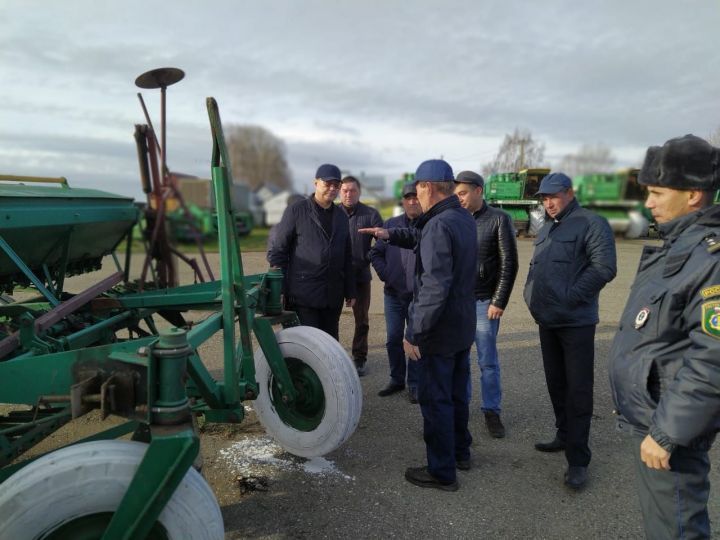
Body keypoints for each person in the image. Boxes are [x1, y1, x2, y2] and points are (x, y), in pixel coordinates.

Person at [608, 134, 720, 538]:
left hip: (669, 428)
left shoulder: (709, 258)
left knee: (675, 528)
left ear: (693, 194)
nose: (649, 202)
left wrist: (667, 432)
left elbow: (713, 359)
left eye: (657, 192)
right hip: (654, 417)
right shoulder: (679, 246)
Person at [360, 159, 477, 492]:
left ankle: (442, 471)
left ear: (427, 187)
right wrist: (389, 234)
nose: (416, 196)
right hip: (460, 326)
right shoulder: (460, 218)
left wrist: (415, 333)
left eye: (418, 189)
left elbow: (435, 285)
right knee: (455, 394)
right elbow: (422, 238)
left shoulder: (440, 224)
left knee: (435, 399)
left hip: (437, 332)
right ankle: (460, 452)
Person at [523, 172, 616, 490]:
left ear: (570, 193)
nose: (548, 202)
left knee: (578, 392)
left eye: (554, 196)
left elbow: (604, 267)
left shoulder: (592, 222)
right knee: (556, 384)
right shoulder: (548, 225)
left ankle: (578, 460)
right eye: (544, 198)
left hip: (576, 323)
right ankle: (563, 436)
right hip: (548, 320)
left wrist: (570, 298)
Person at [454, 170, 518, 438]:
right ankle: (461, 410)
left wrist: (498, 301)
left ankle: (491, 410)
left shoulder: (498, 219)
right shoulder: (456, 220)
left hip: (483, 303)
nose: (459, 199)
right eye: (456, 194)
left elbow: (509, 264)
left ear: (479, 190)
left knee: (487, 361)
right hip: (458, 303)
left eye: (464, 193)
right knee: (459, 361)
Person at [267, 163, 355, 339]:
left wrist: (350, 290)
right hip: (303, 294)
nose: (332, 188)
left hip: (332, 296)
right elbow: (279, 250)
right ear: (316, 183)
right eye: (327, 183)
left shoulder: (341, 217)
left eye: (336, 185)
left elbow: (346, 255)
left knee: (330, 343)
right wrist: (279, 289)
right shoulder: (297, 211)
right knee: (307, 344)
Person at [370, 181, 423, 402]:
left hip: (418, 297)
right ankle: (396, 379)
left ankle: (415, 383)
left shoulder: (429, 225)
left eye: (416, 197)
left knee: (414, 340)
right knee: (393, 339)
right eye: (408, 198)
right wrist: (387, 275)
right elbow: (375, 254)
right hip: (392, 294)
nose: (412, 201)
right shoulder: (390, 224)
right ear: (402, 201)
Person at [340, 176, 383, 376]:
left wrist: (369, 256)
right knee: (329, 318)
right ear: (340, 192)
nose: (349, 194)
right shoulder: (332, 213)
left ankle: (359, 358)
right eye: (345, 190)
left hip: (360, 276)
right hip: (335, 277)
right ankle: (333, 356)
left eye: (353, 190)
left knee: (362, 319)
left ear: (359, 192)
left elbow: (383, 243)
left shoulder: (371, 214)